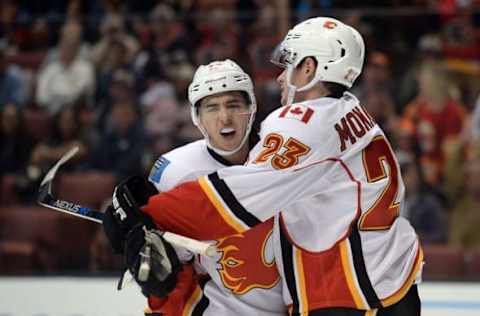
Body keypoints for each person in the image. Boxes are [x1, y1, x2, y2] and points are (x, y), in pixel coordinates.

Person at [108, 17, 423, 315]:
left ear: (310, 68)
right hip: (394, 277)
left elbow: (233, 197)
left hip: (348, 292)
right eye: (212, 107)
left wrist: (146, 214)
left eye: (290, 65)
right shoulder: (351, 109)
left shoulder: (301, 123)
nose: (281, 76)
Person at [104, 60, 286, 315]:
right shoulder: (175, 172)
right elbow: (164, 261)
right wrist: (141, 244)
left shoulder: (283, 154)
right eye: (212, 108)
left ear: (252, 108)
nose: (224, 117)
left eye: (234, 105)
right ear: (197, 118)